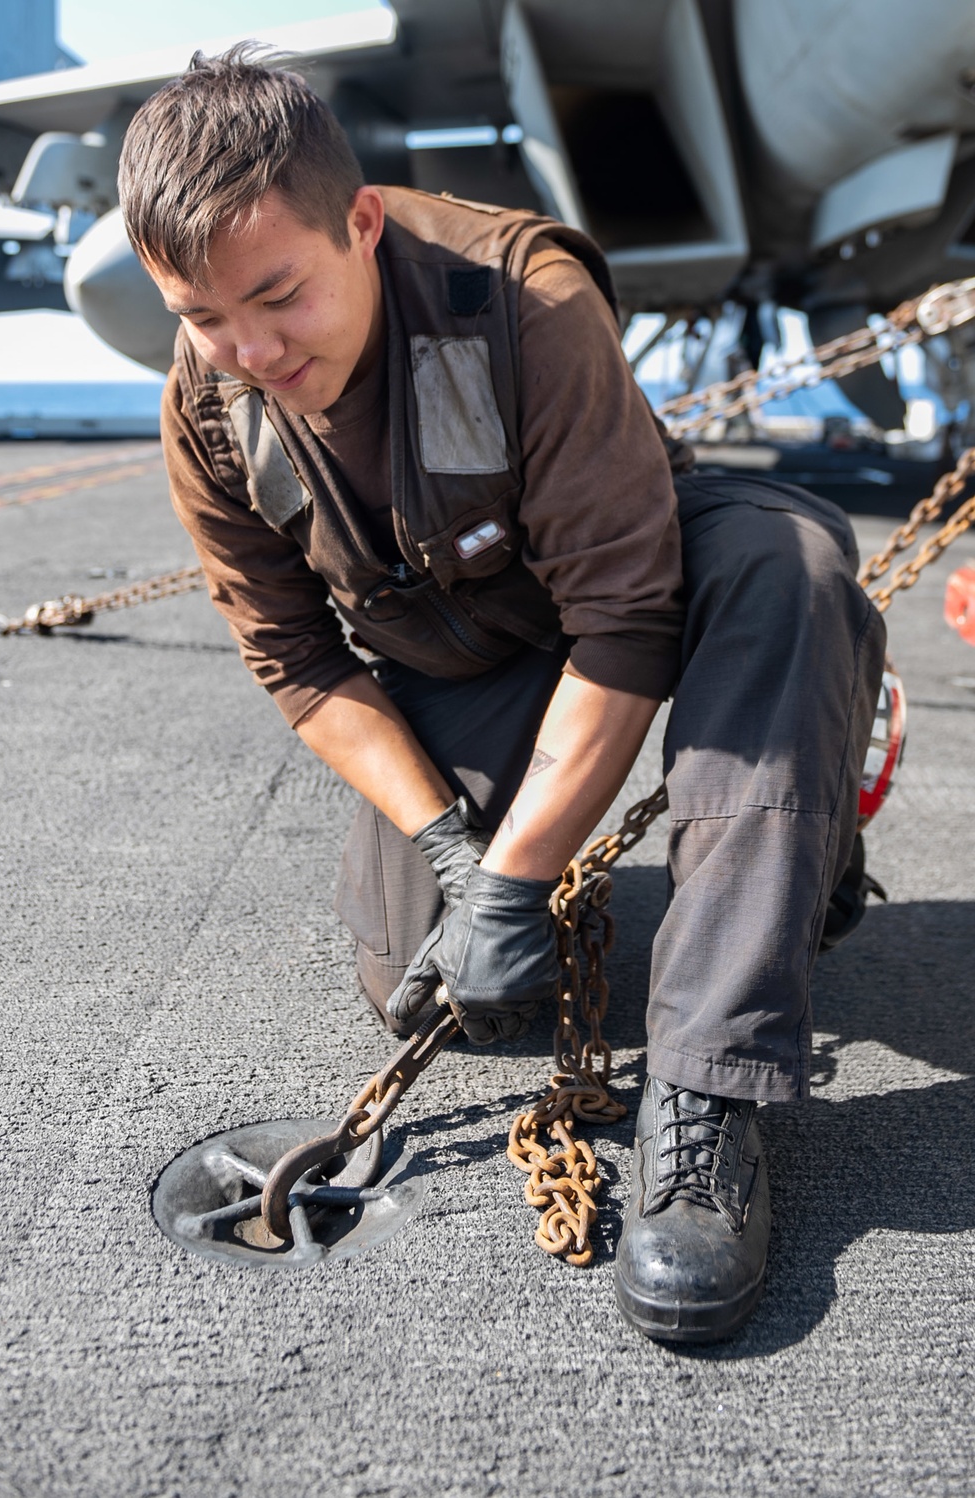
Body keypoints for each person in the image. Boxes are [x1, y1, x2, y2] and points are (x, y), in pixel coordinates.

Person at [117, 46, 886, 1343]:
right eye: (201, 317)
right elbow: (300, 660)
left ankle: (708, 1097)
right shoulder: (209, 410)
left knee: (788, 567)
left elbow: (627, 618)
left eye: (277, 295)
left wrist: (522, 875)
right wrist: (454, 853)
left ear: (359, 224)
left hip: (639, 566)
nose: (246, 349)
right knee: (418, 977)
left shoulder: (520, 303)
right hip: (465, 645)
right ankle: (688, 867)